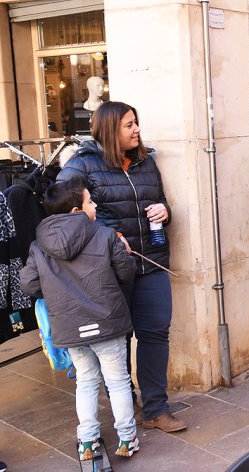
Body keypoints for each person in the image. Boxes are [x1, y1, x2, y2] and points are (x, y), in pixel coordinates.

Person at [58, 101, 186, 432]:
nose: (137, 130)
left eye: (136, 123)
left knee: (156, 332)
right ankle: (127, 407)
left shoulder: (146, 162)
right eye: (129, 125)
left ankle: (157, 408)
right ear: (110, 129)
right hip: (109, 271)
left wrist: (164, 210)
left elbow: (160, 199)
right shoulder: (81, 166)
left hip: (152, 262)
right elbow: (62, 214)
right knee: (118, 340)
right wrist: (103, 234)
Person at [21, 178, 140, 461]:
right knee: (118, 381)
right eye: (89, 201)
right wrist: (125, 253)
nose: (95, 205)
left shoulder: (39, 245)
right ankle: (126, 438)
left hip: (70, 326)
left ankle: (87, 442)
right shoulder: (105, 235)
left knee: (85, 381)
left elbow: (29, 285)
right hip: (108, 322)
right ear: (76, 211)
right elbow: (126, 273)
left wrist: (54, 289)